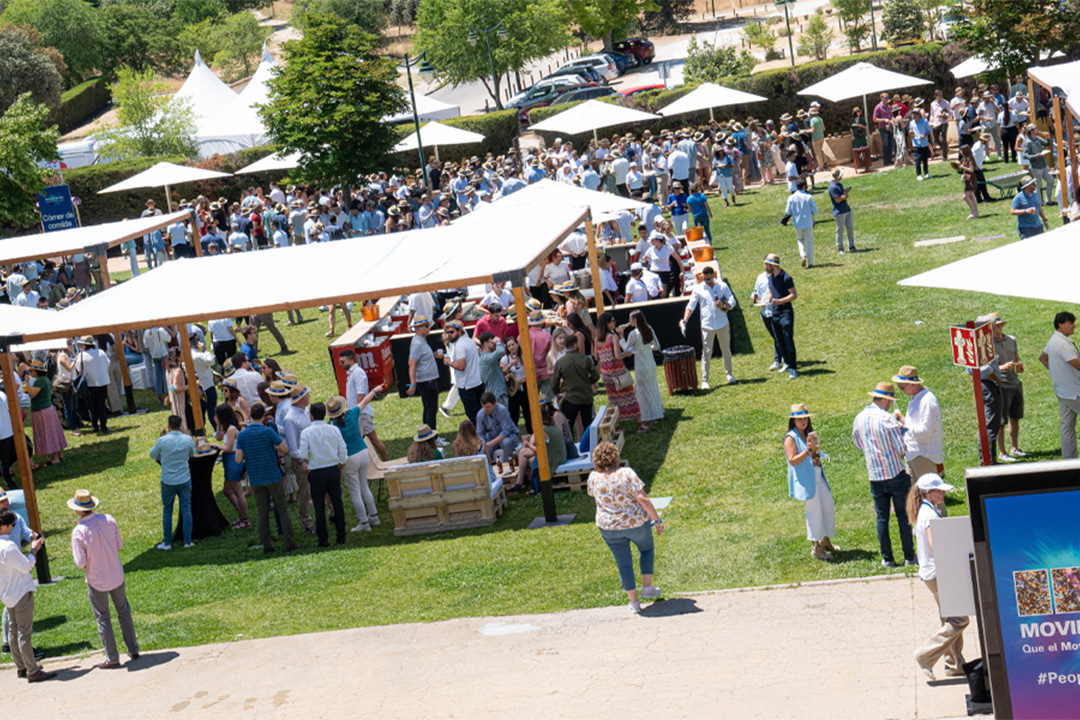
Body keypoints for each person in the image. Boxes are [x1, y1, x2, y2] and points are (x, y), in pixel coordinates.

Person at [587, 441, 663, 614]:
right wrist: (656, 519)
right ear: (616, 456)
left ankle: (634, 603)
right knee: (646, 549)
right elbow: (642, 498)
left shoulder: (593, 477)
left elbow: (594, 496)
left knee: (624, 564)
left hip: (608, 527)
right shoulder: (627, 473)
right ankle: (647, 587)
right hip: (635, 523)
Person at [67, 489, 139, 669]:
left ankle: (112, 658)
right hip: (115, 574)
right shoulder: (109, 520)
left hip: (96, 579)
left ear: (78, 509)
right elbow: (119, 544)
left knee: (103, 618)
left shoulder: (78, 532)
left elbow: (80, 563)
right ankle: (133, 649)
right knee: (124, 611)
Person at [908, 474, 969, 681]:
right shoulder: (930, 515)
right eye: (939, 490)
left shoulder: (925, 511)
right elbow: (937, 545)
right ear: (928, 492)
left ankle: (954, 664)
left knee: (949, 618)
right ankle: (925, 655)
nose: (943, 493)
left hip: (930, 573)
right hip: (938, 573)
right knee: (960, 619)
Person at [852, 382, 916, 568]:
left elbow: (858, 444)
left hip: (875, 475)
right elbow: (901, 449)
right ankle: (909, 556)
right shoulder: (888, 420)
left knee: (882, 518)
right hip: (895, 473)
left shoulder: (859, 418)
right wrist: (902, 429)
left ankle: (887, 558)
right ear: (886, 400)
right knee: (903, 516)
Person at [235, 403, 299, 554]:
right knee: (282, 509)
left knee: (261, 512)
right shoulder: (268, 431)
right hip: (273, 476)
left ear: (250, 415)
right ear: (264, 416)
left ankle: (266, 545)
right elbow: (284, 449)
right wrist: (273, 447)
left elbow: (238, 459)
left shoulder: (242, 435)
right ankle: (289, 542)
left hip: (256, 478)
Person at [0, 509, 51, 682]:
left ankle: (21, 667)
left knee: (13, 632)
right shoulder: (9, 547)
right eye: (12, 525)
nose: (13, 528)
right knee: (24, 633)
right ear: (4, 526)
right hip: (20, 592)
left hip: (7, 593)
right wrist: (34, 550)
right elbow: (26, 566)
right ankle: (32, 670)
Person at [783, 403, 838, 561]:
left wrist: (815, 453)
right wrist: (808, 451)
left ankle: (825, 540)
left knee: (827, 506)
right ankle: (816, 548)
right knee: (814, 512)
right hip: (806, 480)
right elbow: (792, 460)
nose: (803, 421)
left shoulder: (807, 434)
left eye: (805, 418)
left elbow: (810, 455)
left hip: (817, 475)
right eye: (800, 419)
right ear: (793, 421)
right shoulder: (790, 437)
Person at [326, 395, 379, 532]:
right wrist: (375, 390)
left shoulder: (331, 426)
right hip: (363, 452)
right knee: (364, 486)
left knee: (355, 492)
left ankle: (364, 523)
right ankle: (374, 516)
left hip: (349, 458)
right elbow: (364, 401)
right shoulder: (352, 414)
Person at [297, 402, 347, 548]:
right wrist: (341, 464)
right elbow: (343, 449)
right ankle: (341, 535)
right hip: (332, 469)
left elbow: (303, 453)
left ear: (311, 416)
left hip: (317, 471)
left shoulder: (306, 433)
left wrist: (307, 461)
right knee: (337, 503)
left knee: (319, 506)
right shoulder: (334, 430)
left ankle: (323, 539)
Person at [681, 266, 737, 389]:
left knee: (726, 350)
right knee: (706, 353)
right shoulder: (698, 289)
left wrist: (725, 305)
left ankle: (729, 374)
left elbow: (732, 300)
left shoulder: (722, 286)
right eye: (704, 279)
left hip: (722, 323)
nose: (706, 281)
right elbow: (691, 306)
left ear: (713, 276)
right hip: (707, 325)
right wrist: (685, 319)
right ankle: (705, 380)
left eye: (709, 279)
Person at [149, 415, 196, 550]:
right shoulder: (187, 439)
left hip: (168, 480)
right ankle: (188, 541)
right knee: (186, 509)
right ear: (180, 426)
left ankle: (167, 542)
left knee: (167, 510)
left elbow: (152, 454)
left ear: (169, 426)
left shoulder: (163, 441)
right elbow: (192, 454)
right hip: (184, 479)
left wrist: (161, 440)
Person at [1039, 311, 1080, 459]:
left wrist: (1057, 373)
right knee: (1067, 426)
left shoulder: (1054, 340)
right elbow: (1077, 364)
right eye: (1070, 323)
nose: (1074, 326)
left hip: (1063, 391)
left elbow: (1042, 358)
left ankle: (1069, 460)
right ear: (1060, 325)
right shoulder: (1061, 343)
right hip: (1074, 392)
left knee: (1067, 427)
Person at [595, 312, 645, 432]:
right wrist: (627, 354)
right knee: (630, 397)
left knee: (613, 401)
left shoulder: (596, 339)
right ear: (607, 324)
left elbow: (596, 357)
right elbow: (618, 356)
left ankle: (616, 426)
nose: (615, 323)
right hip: (618, 373)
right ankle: (639, 424)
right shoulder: (613, 337)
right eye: (613, 321)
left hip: (606, 374)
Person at [894, 366, 944, 482]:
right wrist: (904, 421)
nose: (901, 390)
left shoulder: (927, 401)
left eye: (902, 387)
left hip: (924, 456)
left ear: (912, 384)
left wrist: (903, 427)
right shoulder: (915, 398)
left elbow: (925, 432)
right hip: (913, 454)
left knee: (929, 491)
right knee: (914, 492)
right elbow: (916, 424)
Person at [990, 314, 1028, 462]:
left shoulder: (1011, 339)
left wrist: (1020, 364)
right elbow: (988, 368)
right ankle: (1002, 452)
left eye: (999, 326)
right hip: (1002, 386)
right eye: (994, 327)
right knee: (1001, 421)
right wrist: (1002, 367)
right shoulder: (989, 345)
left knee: (1015, 417)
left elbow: (1016, 356)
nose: (997, 330)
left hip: (1015, 383)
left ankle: (1015, 448)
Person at [340, 349, 388, 461]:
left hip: (361, 414)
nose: (341, 364)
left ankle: (387, 461)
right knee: (364, 441)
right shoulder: (352, 373)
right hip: (358, 413)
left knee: (374, 440)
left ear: (351, 360)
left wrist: (356, 412)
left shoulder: (358, 373)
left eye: (342, 362)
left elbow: (361, 394)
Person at [621, 311, 663, 425]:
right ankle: (658, 413)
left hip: (641, 366)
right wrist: (647, 348)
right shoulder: (649, 328)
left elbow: (626, 349)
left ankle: (649, 416)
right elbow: (657, 346)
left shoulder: (633, 334)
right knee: (653, 388)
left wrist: (621, 337)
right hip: (651, 364)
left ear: (635, 320)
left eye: (630, 319)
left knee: (643, 391)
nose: (629, 321)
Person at [213, 404, 249, 529]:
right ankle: (242, 515)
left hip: (233, 459)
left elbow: (228, 448)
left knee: (238, 492)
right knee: (227, 491)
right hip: (228, 459)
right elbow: (219, 437)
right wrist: (218, 425)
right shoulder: (226, 428)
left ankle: (245, 519)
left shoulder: (231, 429)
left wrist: (217, 446)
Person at [763, 254, 798, 379]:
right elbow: (771, 292)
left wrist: (779, 301)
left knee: (788, 340)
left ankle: (793, 368)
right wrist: (764, 300)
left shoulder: (786, 277)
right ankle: (786, 363)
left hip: (785, 313)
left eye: (766, 264)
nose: (765, 267)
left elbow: (793, 295)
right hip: (775, 313)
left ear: (772, 265)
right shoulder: (771, 277)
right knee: (779, 340)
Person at [443, 321, 484, 426]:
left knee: (473, 416)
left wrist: (448, 362)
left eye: (452, 332)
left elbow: (461, 366)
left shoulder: (460, 345)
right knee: (480, 414)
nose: (449, 335)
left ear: (460, 331)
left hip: (467, 386)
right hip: (477, 382)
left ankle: (480, 434)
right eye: (447, 332)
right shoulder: (470, 341)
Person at [406, 315, 441, 432]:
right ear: (418, 328)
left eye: (429, 325)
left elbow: (419, 359)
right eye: (426, 326)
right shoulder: (418, 343)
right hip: (427, 382)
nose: (429, 328)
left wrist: (433, 355)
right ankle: (432, 436)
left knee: (429, 409)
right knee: (431, 409)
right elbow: (411, 364)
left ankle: (427, 434)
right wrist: (412, 384)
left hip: (428, 381)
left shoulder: (421, 340)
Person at [475, 391, 519, 464]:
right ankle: (489, 465)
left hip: (509, 436)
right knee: (483, 448)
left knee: (507, 442)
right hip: (492, 436)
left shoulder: (502, 410)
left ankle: (507, 464)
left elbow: (506, 431)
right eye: (483, 407)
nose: (485, 409)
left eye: (488, 407)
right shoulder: (480, 414)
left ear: (494, 404)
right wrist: (484, 443)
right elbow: (480, 433)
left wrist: (490, 444)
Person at [785, 178, 818, 268]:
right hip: (808, 221)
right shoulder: (808, 197)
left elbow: (788, 211)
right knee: (809, 241)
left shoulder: (791, 198)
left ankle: (803, 255)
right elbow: (815, 209)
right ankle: (811, 262)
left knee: (800, 239)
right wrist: (811, 214)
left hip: (797, 222)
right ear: (804, 186)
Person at [827, 168, 856, 254]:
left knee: (850, 228)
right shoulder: (833, 187)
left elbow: (842, 196)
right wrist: (844, 196)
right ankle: (840, 248)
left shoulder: (839, 184)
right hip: (839, 212)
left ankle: (851, 246)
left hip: (846, 209)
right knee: (840, 230)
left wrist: (845, 193)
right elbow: (837, 200)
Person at [873, 92, 895, 166]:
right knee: (885, 143)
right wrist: (883, 120)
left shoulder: (889, 106)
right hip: (882, 127)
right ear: (881, 98)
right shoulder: (878, 107)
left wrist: (892, 120)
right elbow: (874, 119)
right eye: (886, 98)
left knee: (890, 143)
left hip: (889, 126)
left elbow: (891, 115)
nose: (887, 99)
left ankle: (889, 159)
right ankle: (885, 160)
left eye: (888, 97)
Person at [850, 107, 870, 173]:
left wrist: (860, 125)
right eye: (857, 112)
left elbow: (865, 127)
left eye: (859, 111)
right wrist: (852, 135)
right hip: (855, 136)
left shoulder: (862, 119)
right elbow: (851, 128)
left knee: (864, 151)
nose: (859, 113)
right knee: (856, 152)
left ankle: (866, 166)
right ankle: (857, 166)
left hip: (861, 136)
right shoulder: (852, 119)